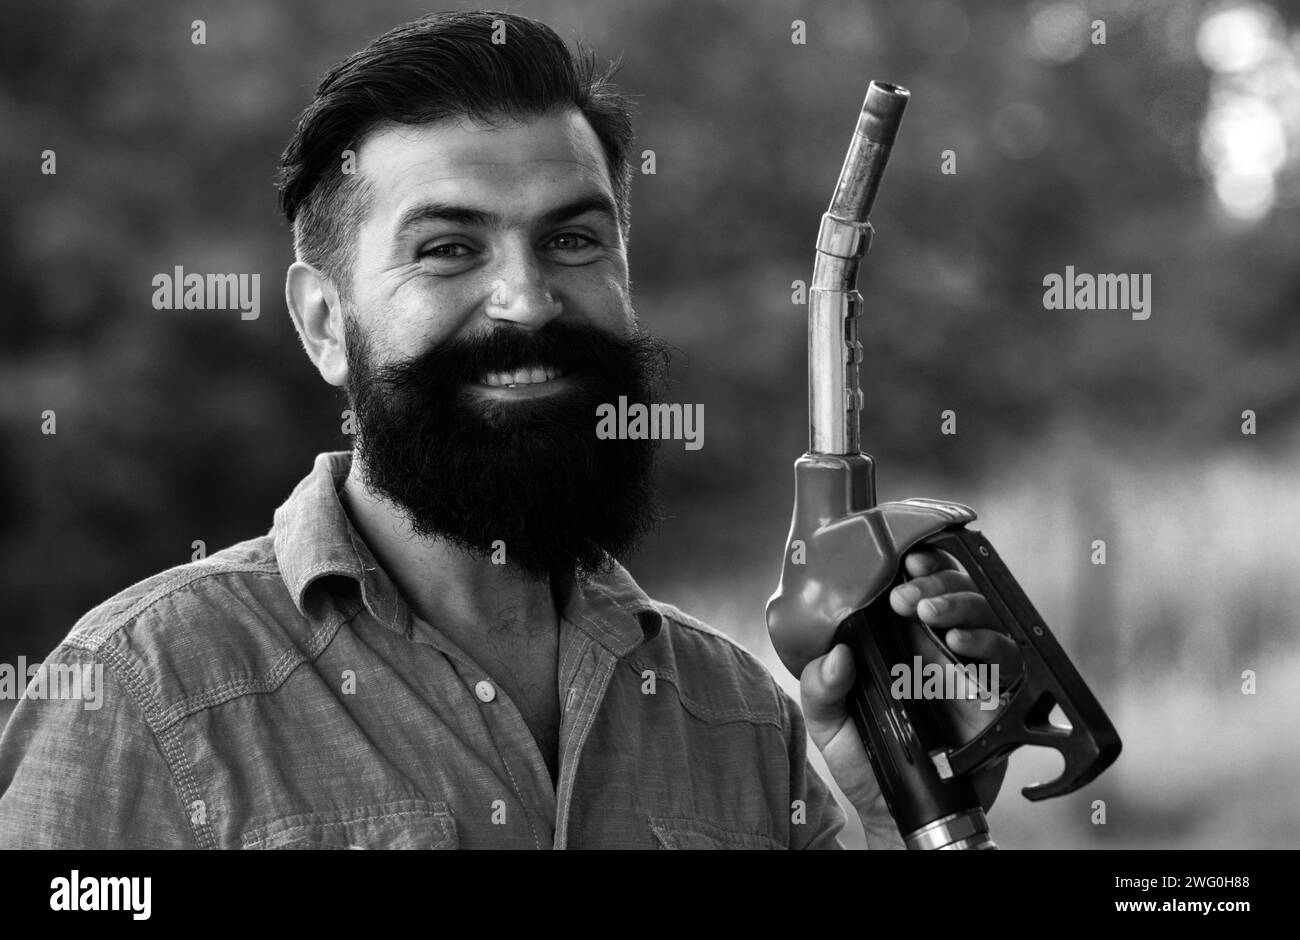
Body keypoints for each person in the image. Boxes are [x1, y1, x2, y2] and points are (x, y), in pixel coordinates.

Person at [0, 10, 1012, 849]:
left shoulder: (739, 721)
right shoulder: (145, 691)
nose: (526, 302)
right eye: (447, 249)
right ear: (322, 324)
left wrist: (903, 819)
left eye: (572, 239)